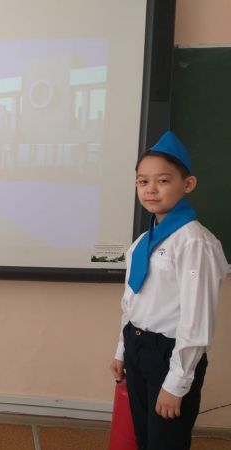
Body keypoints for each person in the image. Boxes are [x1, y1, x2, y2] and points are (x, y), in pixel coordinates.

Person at [109, 130, 228, 450]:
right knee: (144, 438)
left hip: (170, 354)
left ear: (187, 184)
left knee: (166, 441)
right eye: (143, 181)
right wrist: (122, 349)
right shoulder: (143, 241)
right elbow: (133, 301)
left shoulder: (194, 242)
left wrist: (177, 383)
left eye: (162, 181)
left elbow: (197, 319)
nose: (151, 189)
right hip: (138, 346)